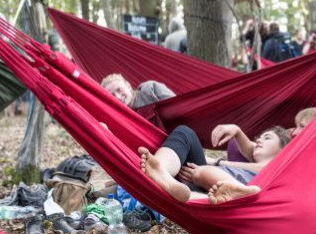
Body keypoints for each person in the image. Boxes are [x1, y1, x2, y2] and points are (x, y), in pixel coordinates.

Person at [138, 124, 290, 203]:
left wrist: (216, 162)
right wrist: (237, 130)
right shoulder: (251, 158)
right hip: (200, 189)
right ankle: (161, 172)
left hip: (218, 194)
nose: (259, 140)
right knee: (185, 133)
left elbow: (263, 166)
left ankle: (169, 182)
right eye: (259, 138)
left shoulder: (280, 166)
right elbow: (248, 147)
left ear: (283, 150)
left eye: (267, 138)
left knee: (202, 173)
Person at [101, 73, 175, 109]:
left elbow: (178, 107)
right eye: (112, 96)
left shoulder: (150, 89)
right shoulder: (121, 118)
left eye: (119, 90)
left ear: (128, 86)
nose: (118, 97)